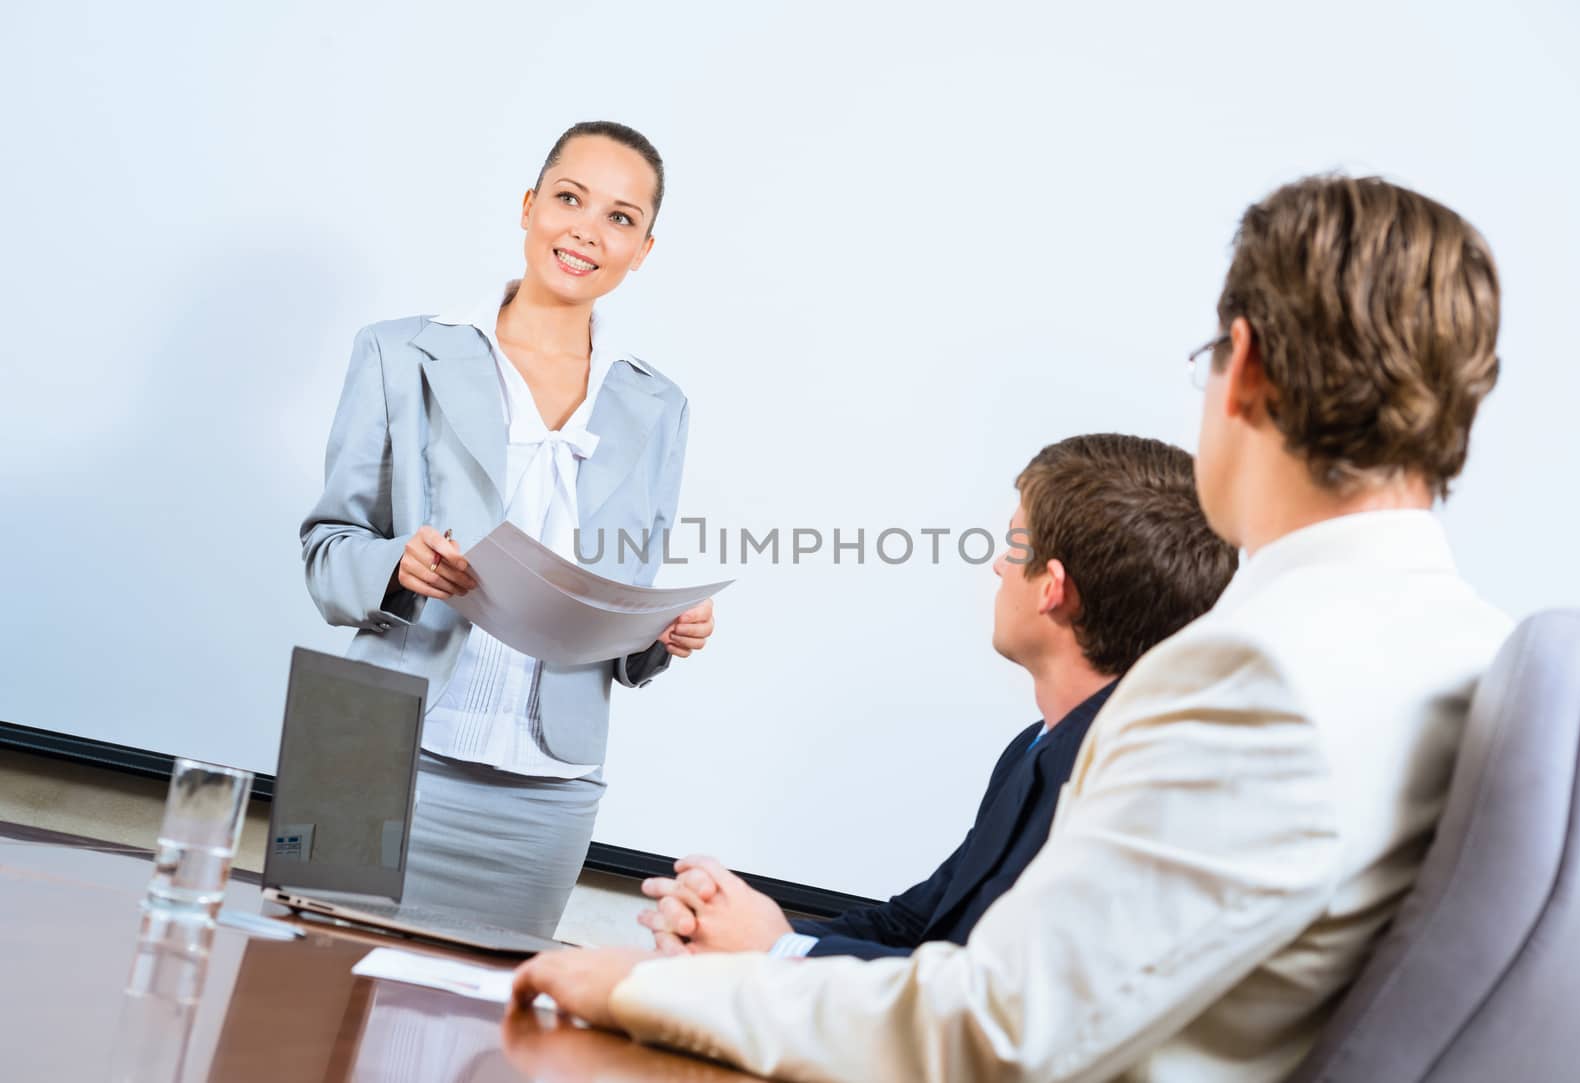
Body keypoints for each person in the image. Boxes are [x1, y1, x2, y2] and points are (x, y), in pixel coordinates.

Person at [511, 173, 1513, 1082]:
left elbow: (998, 1032)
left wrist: (643, 988)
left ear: (1242, 364)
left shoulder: (1257, 674)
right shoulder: (1476, 652)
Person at [300, 120, 715, 938]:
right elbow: (326, 553)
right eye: (569, 199)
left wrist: (662, 630)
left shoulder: (658, 404)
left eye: (621, 218)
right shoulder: (399, 354)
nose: (587, 230)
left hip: (548, 784)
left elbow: (621, 617)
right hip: (372, 742)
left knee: (485, 1043)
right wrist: (397, 564)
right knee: (310, 1017)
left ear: (644, 251)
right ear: (530, 207)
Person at [634, 435, 1237, 961]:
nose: (1000, 566)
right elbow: (919, 925)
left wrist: (773, 948)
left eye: (1015, 546)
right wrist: (736, 932)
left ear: (1053, 590)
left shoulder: (1133, 789)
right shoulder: (1036, 748)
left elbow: (985, 996)